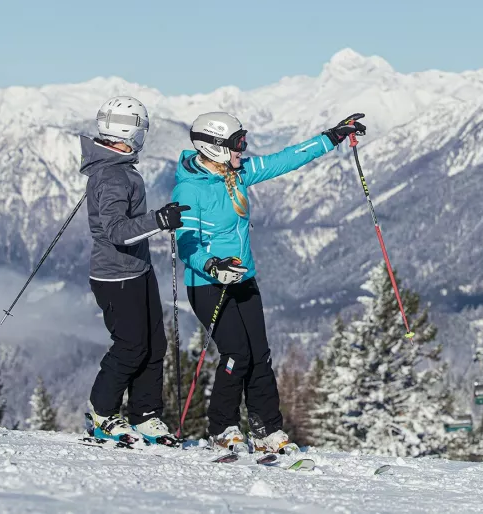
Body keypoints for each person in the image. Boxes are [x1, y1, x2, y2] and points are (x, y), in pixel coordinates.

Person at [173, 111, 365, 454]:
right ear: (214, 147)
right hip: (207, 284)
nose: (242, 150)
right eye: (236, 144)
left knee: (260, 355)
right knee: (236, 354)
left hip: (244, 278)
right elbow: (186, 243)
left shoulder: (239, 175)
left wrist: (331, 137)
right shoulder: (189, 187)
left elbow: (285, 160)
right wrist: (213, 266)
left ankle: (266, 430)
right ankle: (222, 428)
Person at [81, 96, 188, 445]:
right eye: (142, 129)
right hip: (116, 277)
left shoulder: (117, 166)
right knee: (130, 346)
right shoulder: (113, 174)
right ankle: (102, 413)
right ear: (129, 132)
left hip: (137, 270)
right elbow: (115, 231)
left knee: (154, 344)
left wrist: (156, 220)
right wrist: (158, 220)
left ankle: (144, 414)